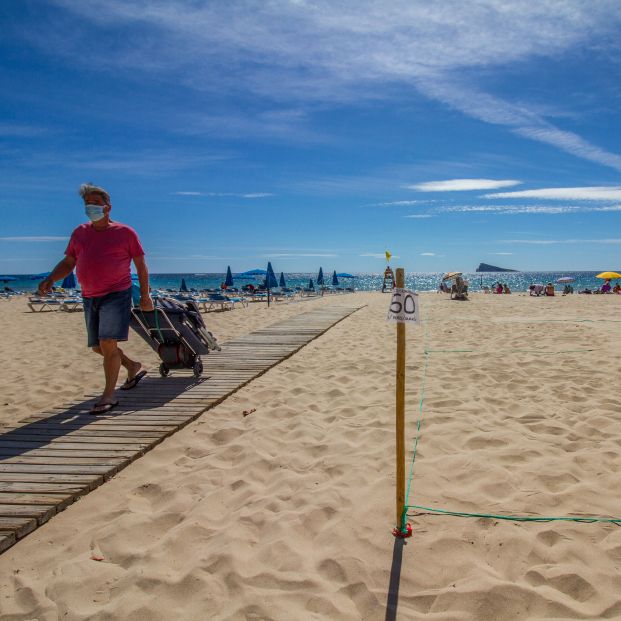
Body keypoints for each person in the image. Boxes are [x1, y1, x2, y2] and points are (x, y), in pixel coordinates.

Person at [38, 183, 153, 414]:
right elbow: (70, 262)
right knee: (98, 347)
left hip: (117, 293)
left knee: (108, 342)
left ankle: (109, 396)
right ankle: (132, 366)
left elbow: (140, 265)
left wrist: (144, 295)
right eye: (88, 204)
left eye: (96, 203)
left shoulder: (125, 233)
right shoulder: (80, 232)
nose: (91, 207)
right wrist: (51, 278)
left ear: (108, 207)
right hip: (89, 295)